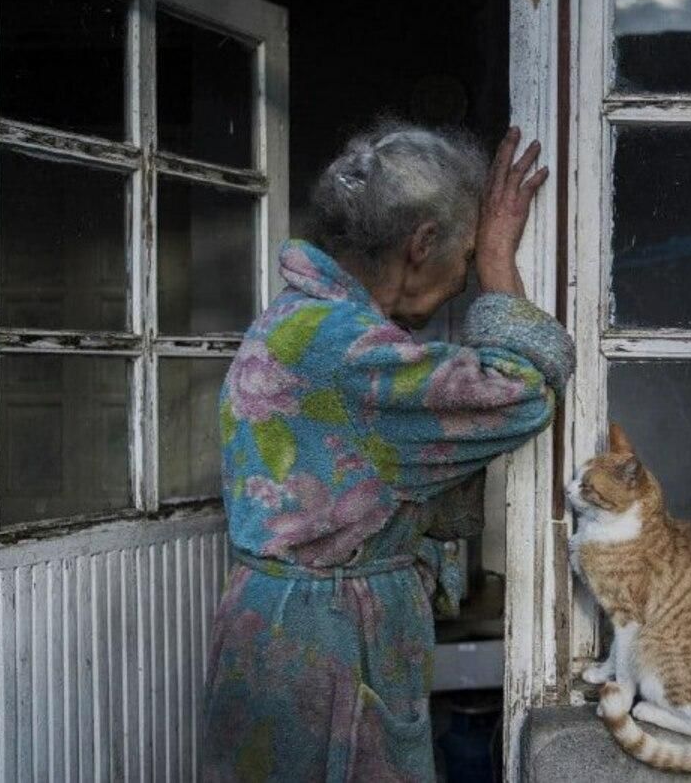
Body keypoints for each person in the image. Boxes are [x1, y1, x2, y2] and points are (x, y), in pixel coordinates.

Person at [201, 121, 573, 781]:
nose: (464, 279)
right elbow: (521, 393)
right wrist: (500, 263)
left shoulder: (301, 319)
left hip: (280, 632)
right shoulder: (349, 351)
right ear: (422, 243)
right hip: (324, 644)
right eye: (466, 258)